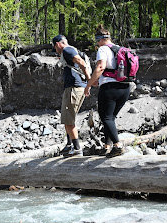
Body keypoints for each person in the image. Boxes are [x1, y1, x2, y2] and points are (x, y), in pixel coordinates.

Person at [84, 26, 130, 157]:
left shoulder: (103, 49)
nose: (97, 44)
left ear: (100, 39)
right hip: (125, 88)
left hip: (110, 88)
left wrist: (89, 84)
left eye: (97, 41)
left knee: (106, 117)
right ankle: (107, 146)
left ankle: (118, 146)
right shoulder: (120, 49)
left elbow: (100, 67)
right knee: (110, 118)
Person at [52, 34, 91, 157]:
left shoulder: (67, 50)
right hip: (74, 87)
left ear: (58, 44)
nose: (56, 50)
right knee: (67, 117)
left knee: (69, 120)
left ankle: (77, 148)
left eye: (55, 48)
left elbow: (82, 63)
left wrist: (89, 81)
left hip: (74, 88)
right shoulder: (71, 50)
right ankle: (69, 145)